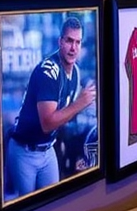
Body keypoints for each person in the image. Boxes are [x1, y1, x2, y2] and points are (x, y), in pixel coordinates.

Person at [5, 16, 97, 199]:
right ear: (60, 41)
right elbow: (48, 123)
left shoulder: (75, 71)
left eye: (78, 42)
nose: (73, 48)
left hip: (48, 150)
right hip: (25, 150)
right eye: (69, 41)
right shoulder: (48, 71)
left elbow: (66, 114)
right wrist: (80, 104)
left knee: (53, 203)